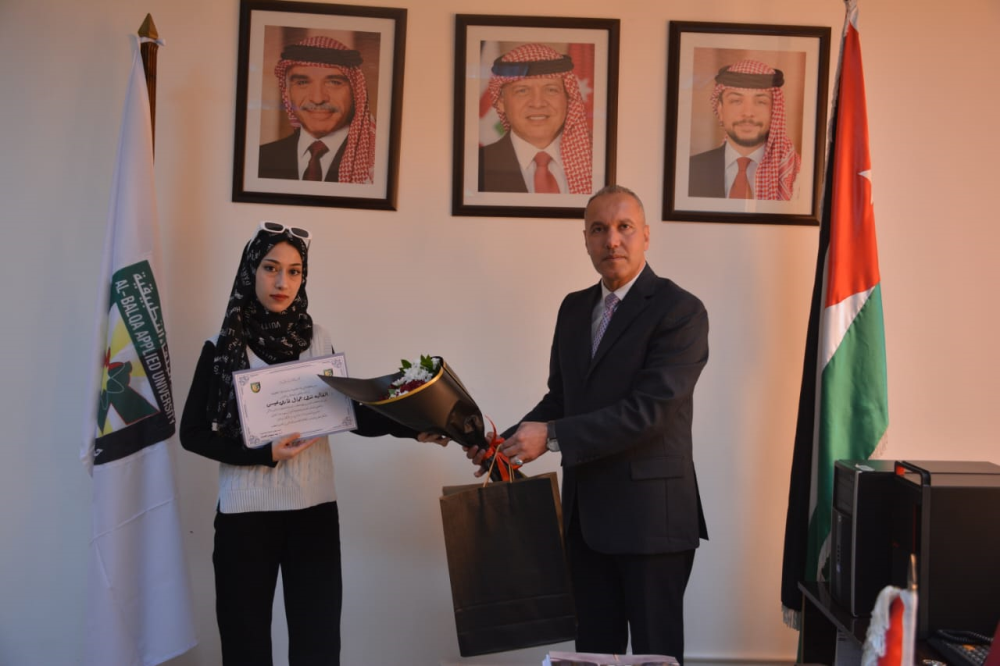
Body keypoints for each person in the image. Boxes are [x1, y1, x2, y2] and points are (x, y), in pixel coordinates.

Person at [180, 222, 447, 666]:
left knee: (318, 646)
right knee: (245, 647)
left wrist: (412, 426)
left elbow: (349, 413)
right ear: (251, 270)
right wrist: (261, 454)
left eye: (294, 271)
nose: (282, 282)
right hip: (245, 518)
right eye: (270, 268)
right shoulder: (221, 345)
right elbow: (192, 433)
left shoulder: (318, 339)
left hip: (313, 513)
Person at [468, 185, 709, 663]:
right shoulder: (574, 308)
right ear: (585, 239)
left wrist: (553, 436)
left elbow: (650, 411)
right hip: (585, 522)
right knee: (592, 655)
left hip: (652, 523)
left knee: (655, 657)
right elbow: (561, 399)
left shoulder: (680, 310)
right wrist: (499, 443)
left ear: (646, 235)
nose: (611, 240)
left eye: (624, 227)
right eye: (599, 229)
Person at [258, 36, 376, 183]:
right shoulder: (259, 158)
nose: (318, 99)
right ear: (287, 93)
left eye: (334, 82)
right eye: (302, 82)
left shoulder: (377, 162)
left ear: (355, 92)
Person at [479, 43, 592, 194]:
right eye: (522, 91)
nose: (538, 103)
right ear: (501, 102)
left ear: (568, 98)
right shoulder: (477, 165)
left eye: (551, 90)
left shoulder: (596, 161)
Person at [688, 59, 801, 200]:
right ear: (720, 110)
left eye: (761, 102)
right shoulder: (689, 170)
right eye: (736, 101)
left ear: (774, 111)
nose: (748, 113)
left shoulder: (798, 175)